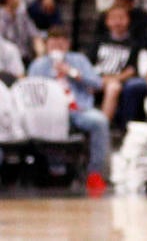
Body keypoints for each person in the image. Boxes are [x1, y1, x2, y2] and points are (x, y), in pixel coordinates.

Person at [27, 26, 109, 194]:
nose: (57, 46)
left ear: (68, 44)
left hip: (78, 109)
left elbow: (98, 84)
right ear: (47, 44)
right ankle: (55, 171)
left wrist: (72, 73)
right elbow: (30, 91)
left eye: (61, 42)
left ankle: (94, 173)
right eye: (53, 42)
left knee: (100, 121)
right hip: (49, 112)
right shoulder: (38, 65)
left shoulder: (79, 60)